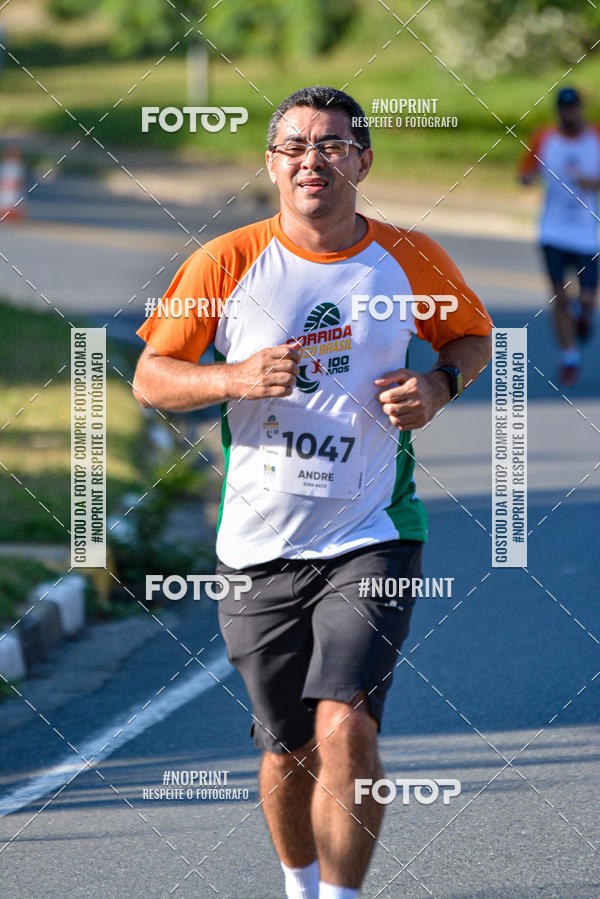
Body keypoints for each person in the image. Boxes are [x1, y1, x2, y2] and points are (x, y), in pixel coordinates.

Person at [133, 86, 492, 898]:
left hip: (374, 530)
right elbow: (151, 377)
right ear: (270, 165)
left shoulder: (413, 258)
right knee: (287, 744)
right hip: (259, 541)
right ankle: (301, 884)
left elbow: (472, 335)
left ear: (363, 160)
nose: (311, 160)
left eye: (331, 145)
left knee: (346, 721)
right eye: (293, 146)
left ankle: (342, 895)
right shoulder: (225, 262)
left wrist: (439, 384)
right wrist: (232, 376)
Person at [520, 86, 600, 386]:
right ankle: (569, 357)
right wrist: (527, 178)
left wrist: (591, 181)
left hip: (585, 232)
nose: (569, 113)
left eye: (573, 107)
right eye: (563, 108)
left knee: (589, 296)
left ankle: (585, 313)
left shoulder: (596, 137)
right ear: (558, 111)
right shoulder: (545, 138)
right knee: (560, 295)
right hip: (552, 230)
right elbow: (525, 171)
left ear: (581, 108)